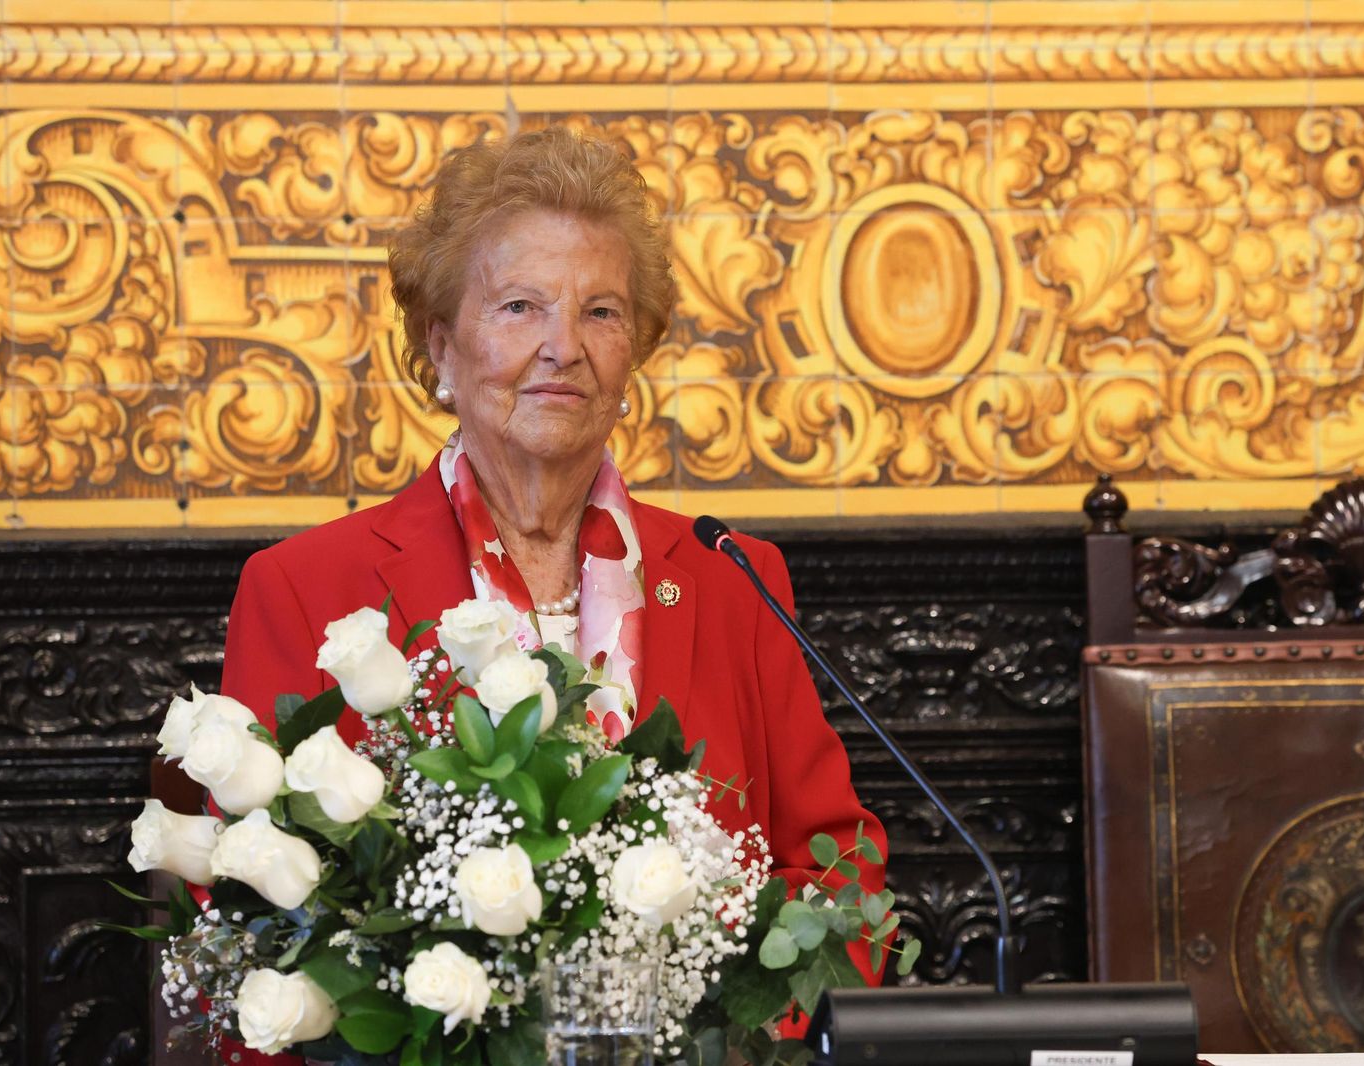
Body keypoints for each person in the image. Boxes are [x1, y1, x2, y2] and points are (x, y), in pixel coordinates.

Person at [218, 125, 886, 1062]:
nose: (563, 347)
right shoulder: (302, 589)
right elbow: (250, 919)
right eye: (522, 306)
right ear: (442, 348)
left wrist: (752, 1042)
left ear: (634, 357)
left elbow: (835, 866)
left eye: (603, 313)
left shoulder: (735, 578)